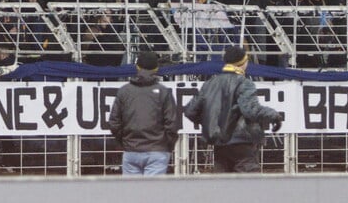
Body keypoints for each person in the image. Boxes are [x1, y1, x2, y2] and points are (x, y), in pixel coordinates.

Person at [183, 45, 282, 173]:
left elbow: (190, 111)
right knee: (250, 186)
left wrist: (210, 121)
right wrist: (274, 115)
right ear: (243, 62)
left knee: (223, 187)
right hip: (242, 141)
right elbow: (250, 110)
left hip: (218, 142)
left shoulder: (210, 83)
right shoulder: (244, 83)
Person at [108, 51, 178, 176]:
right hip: (157, 150)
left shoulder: (124, 91)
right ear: (156, 69)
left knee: (132, 194)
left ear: (137, 67)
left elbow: (114, 122)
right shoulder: (163, 92)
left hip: (131, 150)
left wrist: (125, 141)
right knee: (152, 194)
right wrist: (165, 145)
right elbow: (172, 123)